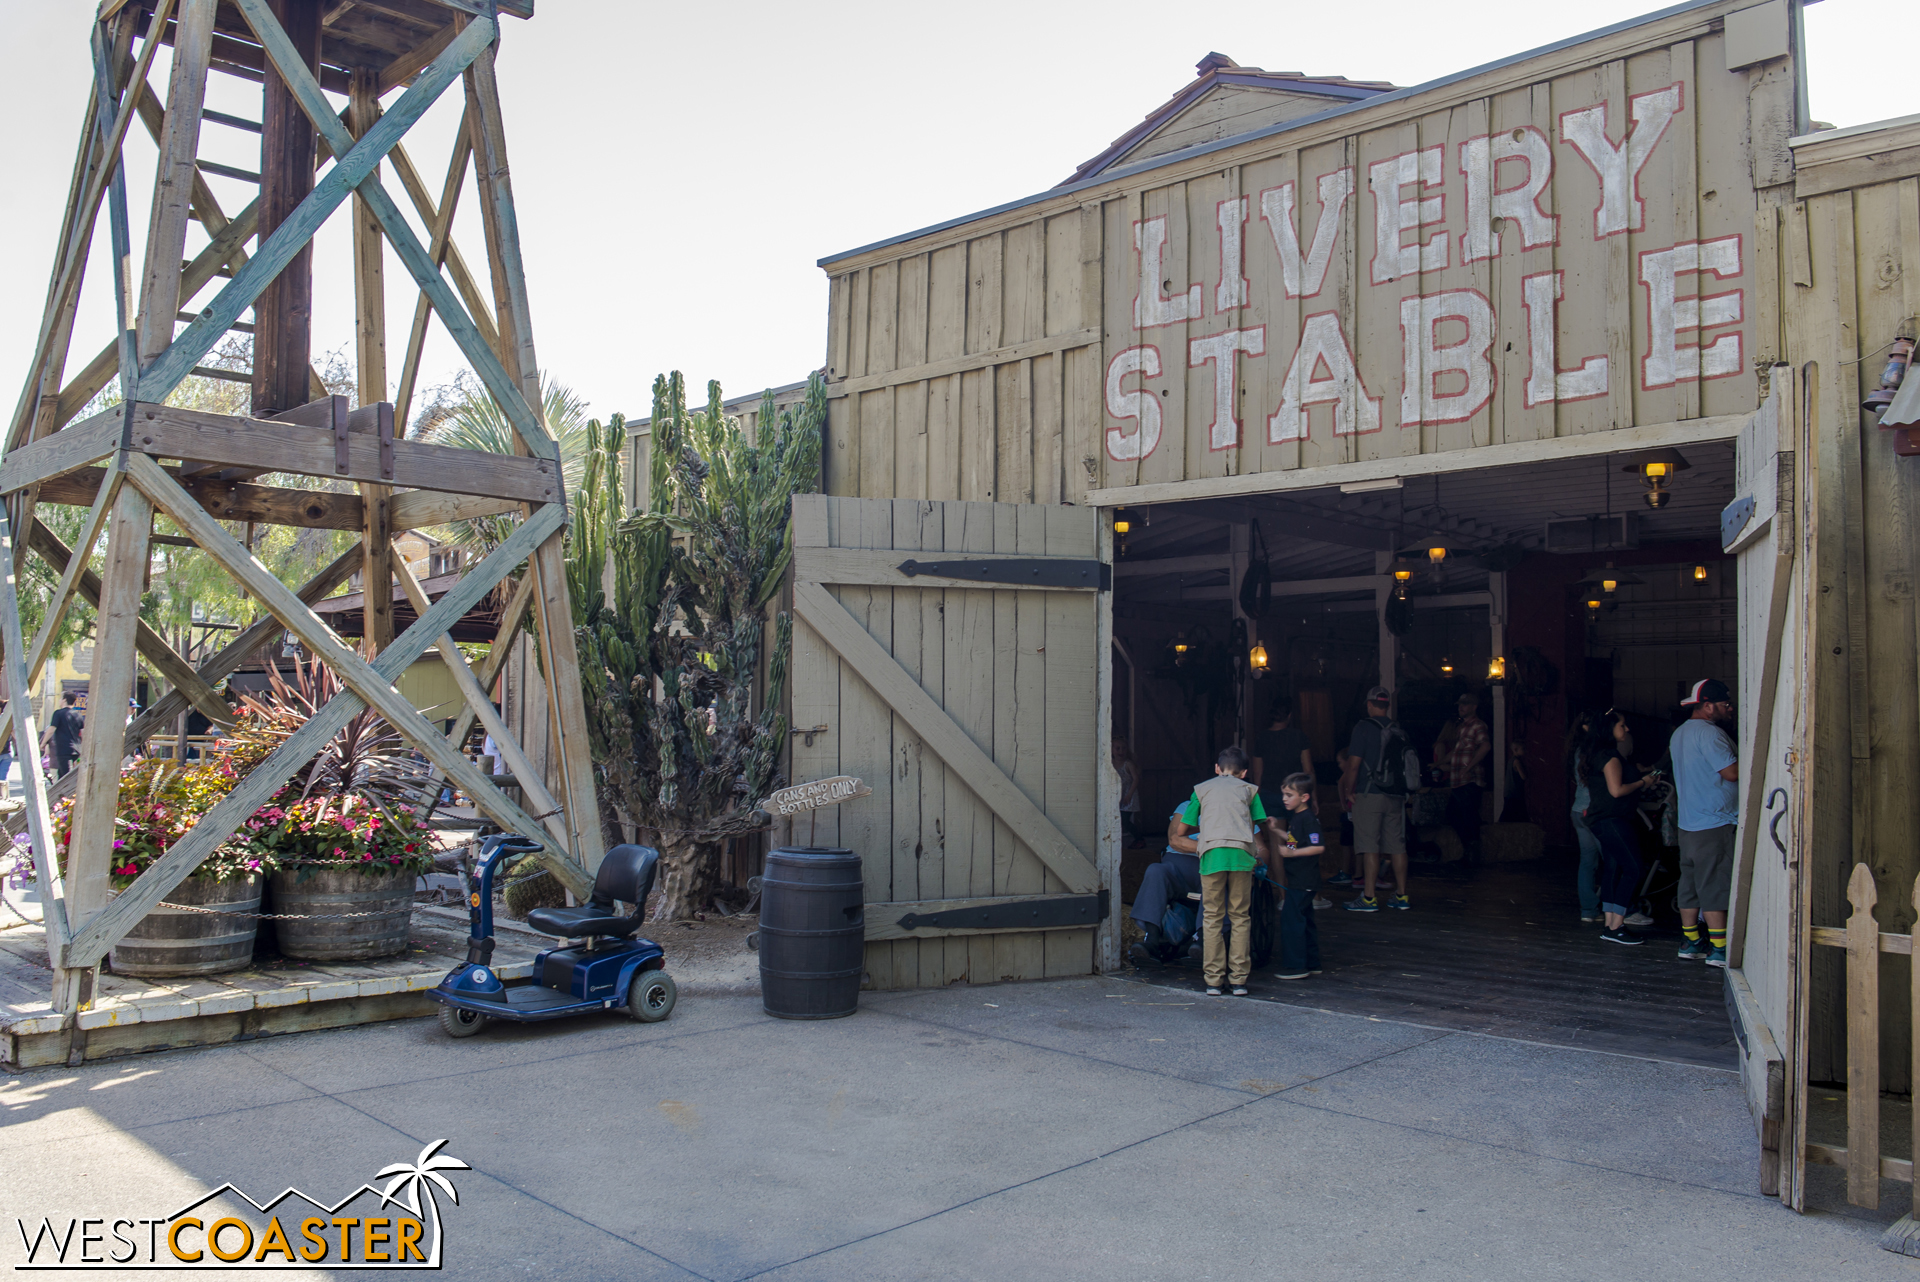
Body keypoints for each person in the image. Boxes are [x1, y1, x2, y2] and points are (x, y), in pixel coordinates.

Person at [1175, 745, 1271, 997]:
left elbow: (1182, 831)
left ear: (1217, 769)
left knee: (1212, 917)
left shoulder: (1201, 790)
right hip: (1241, 857)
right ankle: (1239, 980)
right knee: (1240, 916)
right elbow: (1257, 823)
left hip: (1212, 856)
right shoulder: (1250, 791)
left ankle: (1213, 981)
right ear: (1244, 773)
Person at [1671, 678, 1739, 967]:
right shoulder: (1711, 735)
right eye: (1725, 705)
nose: (1730, 709)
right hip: (1715, 822)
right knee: (1714, 886)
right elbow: (1732, 773)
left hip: (1688, 824)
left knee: (1690, 884)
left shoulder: (1679, 734)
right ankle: (1719, 948)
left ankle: (1691, 942)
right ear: (1708, 706)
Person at [1581, 708, 1657, 944]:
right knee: (1634, 868)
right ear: (1609, 729)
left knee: (1613, 869)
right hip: (1612, 818)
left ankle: (1610, 924)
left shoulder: (1597, 754)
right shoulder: (1611, 757)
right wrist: (1642, 782)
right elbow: (1616, 791)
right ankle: (1617, 925)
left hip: (1602, 819)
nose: (1626, 729)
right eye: (1622, 725)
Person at [1339, 686, 1412, 912]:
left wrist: (1350, 790)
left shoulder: (1363, 728)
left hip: (1370, 793)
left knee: (1370, 846)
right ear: (1387, 706)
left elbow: (1353, 765)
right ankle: (1401, 895)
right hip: (1395, 795)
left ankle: (1369, 898)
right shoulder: (1398, 729)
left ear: (1370, 704)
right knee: (1397, 847)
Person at [1128, 807, 1202, 962]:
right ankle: (1152, 939)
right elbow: (1174, 839)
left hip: (1210, 868)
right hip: (1178, 869)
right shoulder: (1187, 806)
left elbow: (1261, 849)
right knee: (1156, 870)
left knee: (1217, 881)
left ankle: (1203, 940)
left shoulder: (1238, 812)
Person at [1273, 772, 1324, 980]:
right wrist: (1277, 831)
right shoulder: (1297, 818)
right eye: (1283, 794)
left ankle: (1296, 966)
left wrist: (1291, 853)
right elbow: (1295, 841)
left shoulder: (1308, 819)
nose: (1284, 799)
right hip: (1298, 880)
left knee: (1291, 919)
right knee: (1305, 920)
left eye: (1289, 795)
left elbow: (1317, 847)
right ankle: (1313, 963)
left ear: (1304, 797)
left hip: (1303, 881)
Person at [1442, 692, 1492, 869]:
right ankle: (1469, 853)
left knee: (1464, 816)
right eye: (1459, 704)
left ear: (1474, 707)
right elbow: (1457, 751)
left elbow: (1486, 746)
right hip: (1459, 780)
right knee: (1457, 815)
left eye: (1465, 704)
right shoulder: (1462, 727)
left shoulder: (1477, 725)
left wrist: (1468, 767)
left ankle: (1471, 855)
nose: (1460, 707)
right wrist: (1439, 763)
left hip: (1469, 780)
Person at [1567, 710, 1604, 923]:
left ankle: (1588, 910)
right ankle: (1616, 909)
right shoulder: (1596, 750)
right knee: (1613, 859)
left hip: (1578, 809)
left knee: (1587, 862)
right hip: (1593, 811)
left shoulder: (1577, 750)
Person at [1251, 702, 1314, 814]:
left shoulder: (1262, 738)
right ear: (1289, 715)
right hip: (1297, 792)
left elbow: (1257, 771)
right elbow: (1308, 769)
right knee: (1298, 829)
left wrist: (1258, 795)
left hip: (1270, 792)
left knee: (1275, 829)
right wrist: (1313, 796)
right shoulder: (1299, 736)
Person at [42, 692, 83, 778]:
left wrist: (43, 743)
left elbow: (51, 730)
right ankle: (62, 790)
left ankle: (68, 791)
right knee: (61, 774)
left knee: (65, 775)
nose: (59, 701)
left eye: (60, 699)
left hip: (64, 749)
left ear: (64, 700)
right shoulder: (78, 715)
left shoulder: (58, 713)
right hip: (76, 749)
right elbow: (83, 732)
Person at [1112, 737, 1143, 847]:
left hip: (1127, 795)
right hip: (1116, 795)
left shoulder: (1128, 764)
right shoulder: (1110, 763)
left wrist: (1129, 794)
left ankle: (1139, 839)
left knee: (1124, 820)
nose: (1121, 751)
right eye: (1117, 748)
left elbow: (1136, 779)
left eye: (1123, 748)